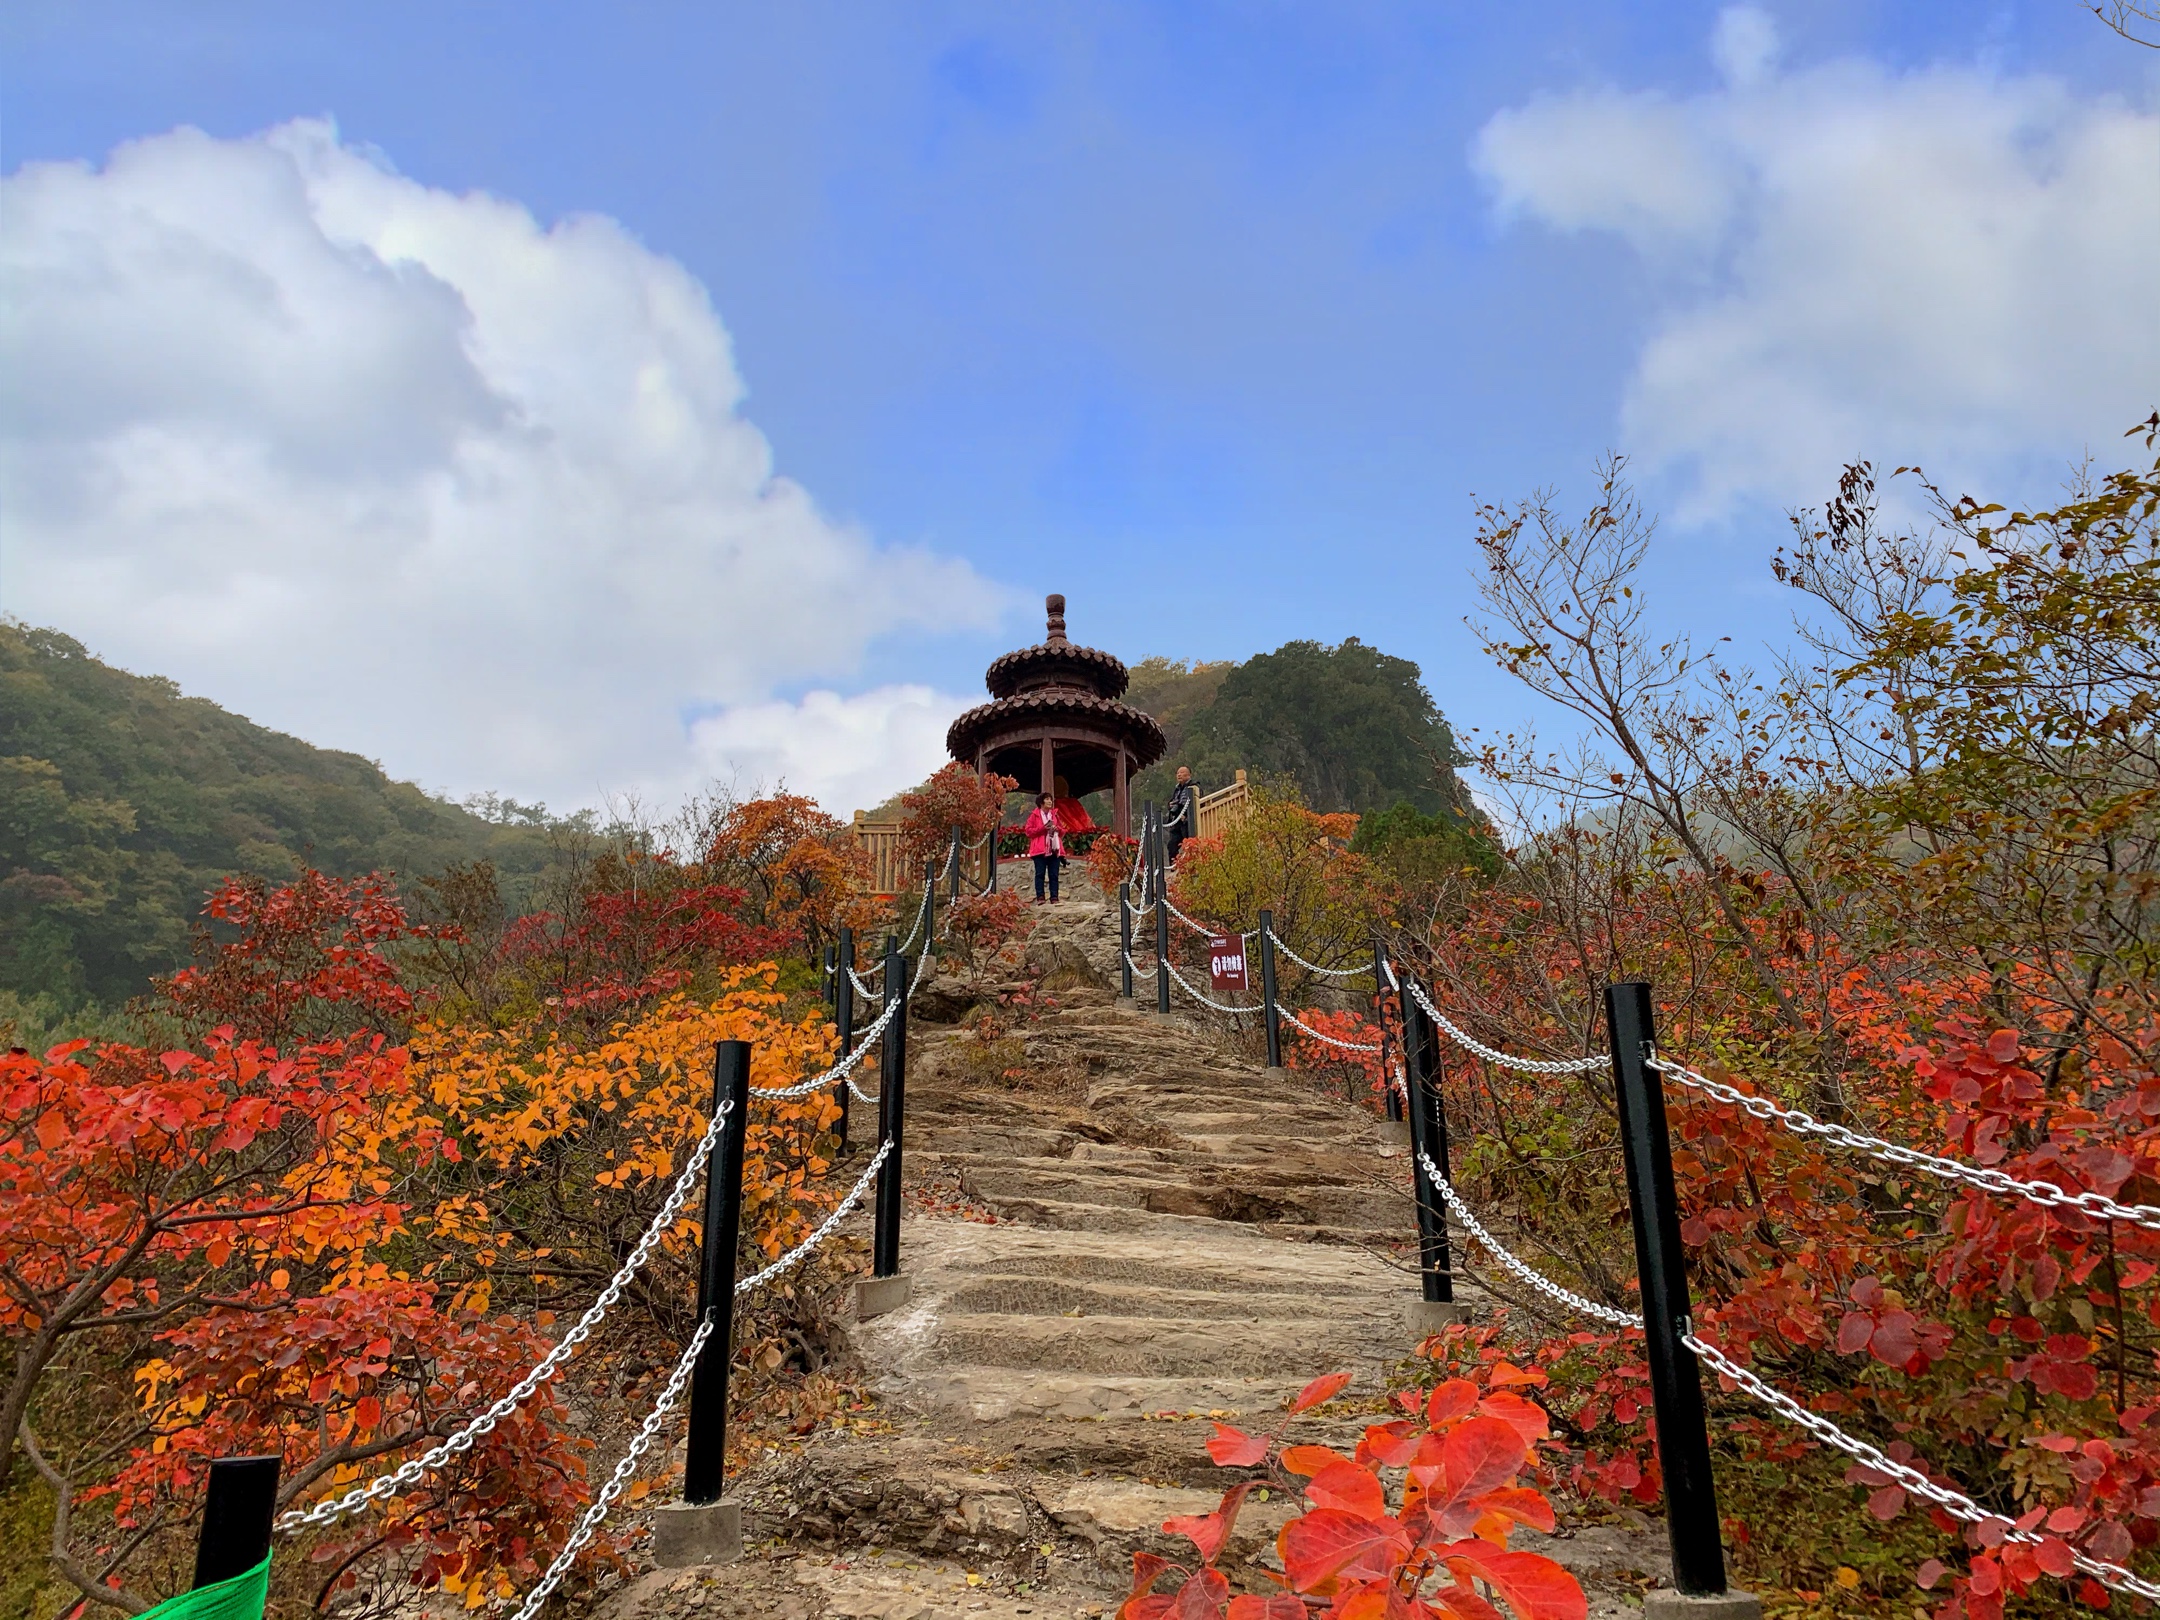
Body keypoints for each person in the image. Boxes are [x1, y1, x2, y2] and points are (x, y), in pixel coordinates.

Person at [1024, 791, 1063, 904]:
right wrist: (1043, 828)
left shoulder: (1055, 815)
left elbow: (1063, 830)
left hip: (1054, 848)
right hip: (1039, 850)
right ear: (1041, 802)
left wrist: (1057, 829)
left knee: (1054, 874)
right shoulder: (1034, 815)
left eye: (1051, 799)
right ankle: (1040, 897)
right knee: (1040, 874)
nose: (1050, 801)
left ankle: (1054, 897)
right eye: (1047, 799)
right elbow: (1028, 831)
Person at [1164, 765, 1197, 864]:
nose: (1179, 775)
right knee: (1172, 845)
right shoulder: (1177, 789)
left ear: (1189, 775)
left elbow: (1195, 801)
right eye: (1178, 773)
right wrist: (1170, 805)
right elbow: (1173, 802)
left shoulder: (1194, 786)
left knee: (1188, 845)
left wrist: (1184, 814)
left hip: (1187, 821)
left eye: (1182, 773)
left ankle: (1190, 865)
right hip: (1177, 821)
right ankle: (1174, 866)